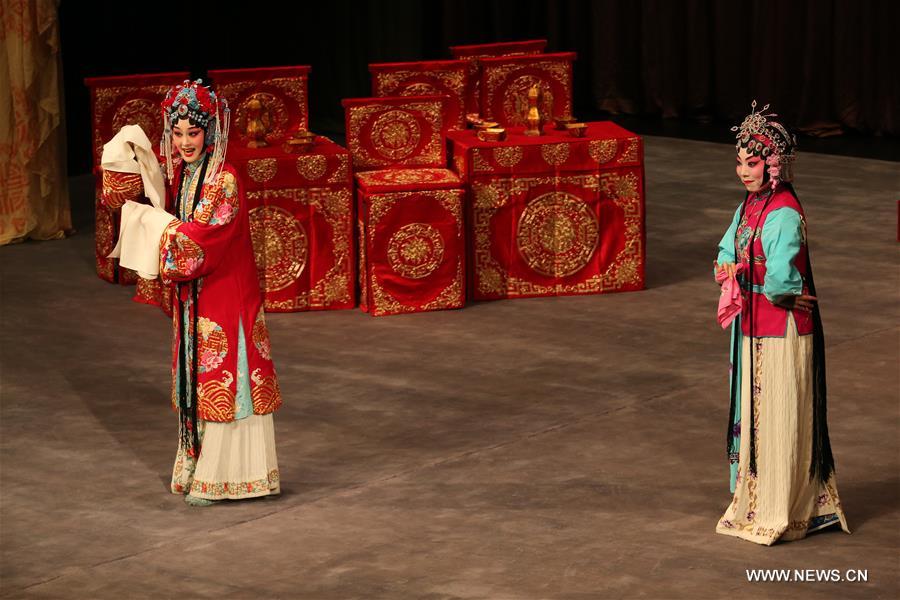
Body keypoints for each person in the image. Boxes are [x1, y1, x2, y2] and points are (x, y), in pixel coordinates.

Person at [101, 79, 282, 506]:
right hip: (195, 298)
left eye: (193, 132)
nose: (184, 142)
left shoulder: (225, 180)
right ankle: (198, 466)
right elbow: (137, 197)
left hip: (225, 295)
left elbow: (200, 241)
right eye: (177, 133)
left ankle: (231, 477)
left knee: (223, 377)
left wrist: (155, 225)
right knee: (194, 378)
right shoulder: (184, 174)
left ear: (212, 132)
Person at [713, 101, 849, 544]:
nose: (742, 172)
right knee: (756, 414)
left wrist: (755, 281)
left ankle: (784, 506)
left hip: (781, 329)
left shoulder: (783, 211)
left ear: (774, 166)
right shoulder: (750, 206)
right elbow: (726, 250)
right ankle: (756, 499)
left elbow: (780, 281)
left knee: (778, 414)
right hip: (754, 325)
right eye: (739, 162)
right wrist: (728, 267)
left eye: (751, 163)